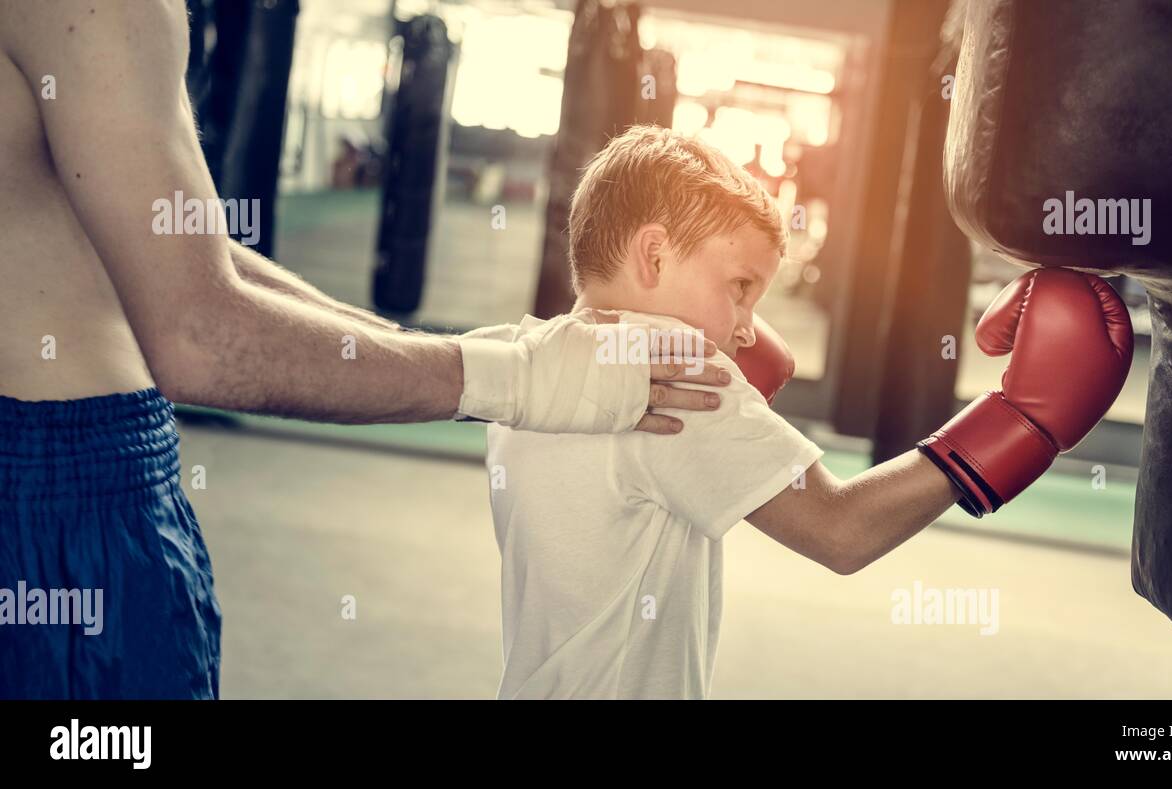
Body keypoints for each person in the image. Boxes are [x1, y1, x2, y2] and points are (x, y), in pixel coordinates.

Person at [0, 1, 730, 699]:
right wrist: (522, 379)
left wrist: (455, 351)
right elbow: (200, 336)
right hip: (57, 507)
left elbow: (173, 251)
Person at [476, 125, 1132, 699]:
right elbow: (840, 530)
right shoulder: (671, 377)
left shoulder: (529, 366)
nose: (743, 330)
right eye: (740, 288)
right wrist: (1021, 419)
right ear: (653, 255)